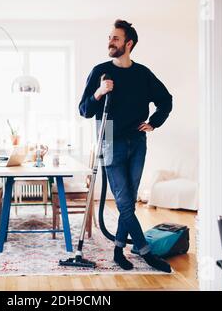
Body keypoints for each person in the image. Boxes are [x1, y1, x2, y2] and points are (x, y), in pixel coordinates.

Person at [79, 19, 173, 272]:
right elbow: (84, 110)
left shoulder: (143, 74)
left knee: (128, 199)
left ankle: (118, 249)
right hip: (109, 138)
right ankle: (144, 251)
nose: (110, 41)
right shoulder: (100, 71)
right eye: (110, 37)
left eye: (116, 38)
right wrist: (99, 92)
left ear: (128, 44)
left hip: (137, 140)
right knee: (124, 200)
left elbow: (166, 100)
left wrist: (154, 122)